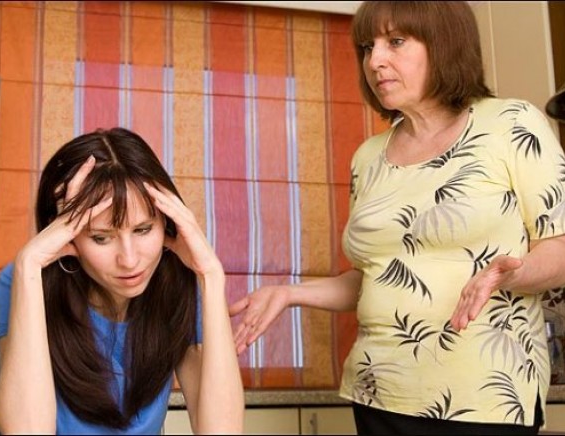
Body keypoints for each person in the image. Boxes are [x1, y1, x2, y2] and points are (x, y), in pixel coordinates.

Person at [230, 1, 565, 435]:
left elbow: (559, 246)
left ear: (444, 44)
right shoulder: (369, 158)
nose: (375, 61)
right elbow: (374, 276)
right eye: (368, 47)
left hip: (485, 399)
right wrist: (290, 293)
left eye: (396, 41)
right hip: (378, 392)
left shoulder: (510, 124)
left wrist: (511, 273)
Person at [0, 127, 244, 434]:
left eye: (143, 230)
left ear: (167, 223)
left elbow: (221, 431)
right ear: (65, 234)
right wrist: (29, 263)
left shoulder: (177, 283)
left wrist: (211, 275)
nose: (129, 260)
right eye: (101, 238)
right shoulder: (25, 279)